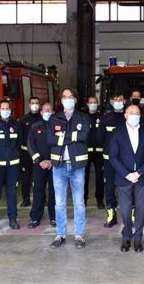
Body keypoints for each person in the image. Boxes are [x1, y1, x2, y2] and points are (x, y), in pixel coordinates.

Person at [109, 105, 144, 252]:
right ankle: (126, 237)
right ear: (125, 115)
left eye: (137, 113)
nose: (134, 115)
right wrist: (127, 174)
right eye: (131, 113)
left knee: (141, 210)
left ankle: (138, 239)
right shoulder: (117, 133)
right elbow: (113, 156)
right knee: (126, 210)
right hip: (124, 178)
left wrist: (139, 172)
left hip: (141, 178)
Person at [48, 87, 90, 249]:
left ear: (76, 99)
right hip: (58, 166)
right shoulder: (54, 118)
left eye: (70, 96)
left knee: (79, 202)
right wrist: (71, 137)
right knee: (59, 203)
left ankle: (79, 235)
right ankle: (60, 234)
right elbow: (50, 139)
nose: (68, 99)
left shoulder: (83, 117)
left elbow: (83, 136)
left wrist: (62, 136)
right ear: (60, 100)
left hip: (77, 165)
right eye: (65, 97)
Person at [0, 100, 22, 231]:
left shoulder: (16, 125)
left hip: (13, 166)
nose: (5, 110)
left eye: (7, 108)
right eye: (3, 108)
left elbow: (19, 143)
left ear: (11, 110)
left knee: (12, 193)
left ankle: (12, 219)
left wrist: (16, 156)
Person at [98, 93, 127, 227]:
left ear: (124, 101)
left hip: (125, 160)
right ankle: (111, 214)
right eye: (116, 99)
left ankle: (129, 215)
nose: (118, 102)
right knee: (109, 188)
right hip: (109, 160)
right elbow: (100, 139)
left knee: (127, 187)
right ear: (111, 101)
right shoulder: (105, 119)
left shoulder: (128, 118)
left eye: (120, 99)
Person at [27, 103, 56, 228]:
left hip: (55, 164)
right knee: (38, 191)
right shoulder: (34, 127)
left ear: (53, 112)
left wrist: (52, 161)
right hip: (39, 165)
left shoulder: (58, 126)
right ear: (41, 112)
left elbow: (61, 145)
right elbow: (30, 145)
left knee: (54, 192)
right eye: (45, 110)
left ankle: (54, 217)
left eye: (49, 110)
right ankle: (35, 218)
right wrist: (40, 161)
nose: (47, 112)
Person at [20, 97, 43, 207]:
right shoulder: (24, 120)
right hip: (26, 154)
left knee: (40, 177)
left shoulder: (43, 119)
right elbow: (20, 137)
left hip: (40, 153)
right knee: (26, 177)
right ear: (29, 105)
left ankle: (41, 198)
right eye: (32, 103)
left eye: (37, 103)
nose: (34, 105)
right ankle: (26, 198)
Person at [85, 96, 105, 208]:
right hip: (85, 152)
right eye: (91, 102)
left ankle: (100, 199)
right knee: (84, 177)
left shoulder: (102, 117)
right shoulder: (83, 117)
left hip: (99, 152)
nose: (93, 104)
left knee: (100, 177)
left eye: (95, 102)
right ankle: (84, 199)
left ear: (97, 104)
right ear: (87, 104)